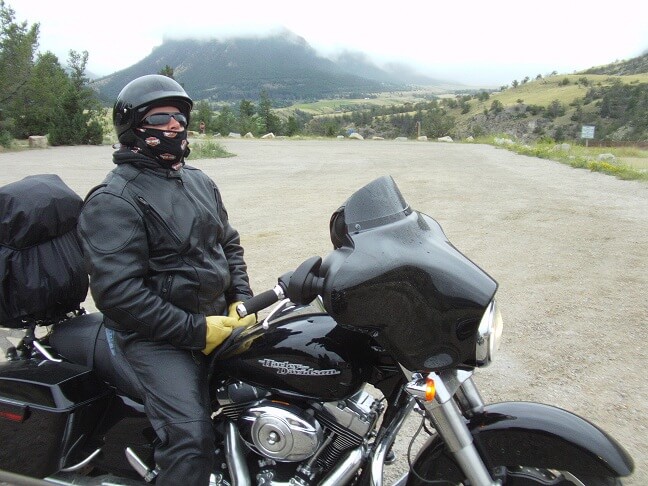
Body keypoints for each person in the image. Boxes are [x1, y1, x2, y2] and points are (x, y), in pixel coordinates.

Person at [77, 74, 255, 485]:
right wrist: (195, 330)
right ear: (133, 127)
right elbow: (118, 294)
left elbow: (228, 245)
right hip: (154, 339)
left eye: (180, 115)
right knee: (191, 437)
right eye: (161, 117)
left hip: (213, 322)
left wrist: (241, 301)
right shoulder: (113, 199)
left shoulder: (198, 181)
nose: (176, 125)